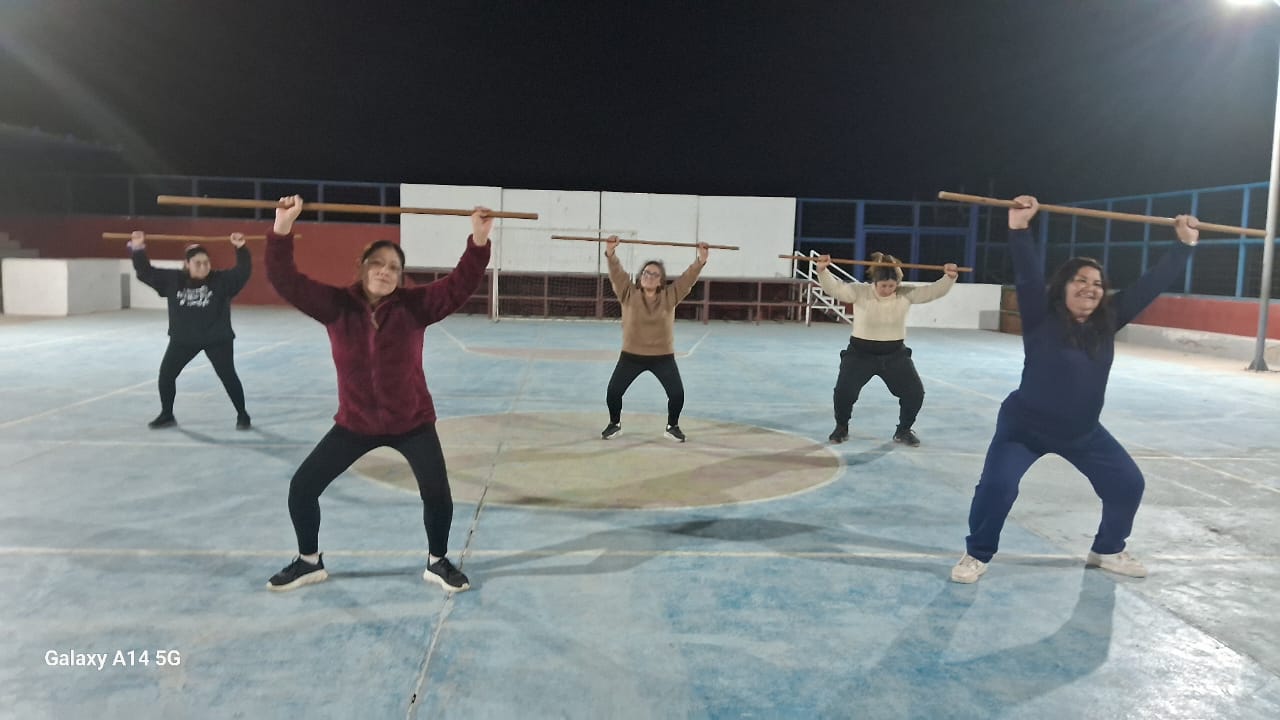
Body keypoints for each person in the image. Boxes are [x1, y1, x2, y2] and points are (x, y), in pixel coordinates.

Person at [950, 195, 1199, 584]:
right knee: (997, 487)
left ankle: (1107, 549)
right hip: (1023, 428)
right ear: (1062, 287)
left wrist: (1183, 245)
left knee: (1127, 484)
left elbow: (1150, 286)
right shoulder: (1040, 318)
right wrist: (1019, 228)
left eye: (1097, 283)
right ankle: (977, 553)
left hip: (1082, 432)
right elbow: (1029, 275)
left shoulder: (1108, 321)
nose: (1090, 287)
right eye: (1080, 280)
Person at [263, 195, 491, 593]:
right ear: (363, 267)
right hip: (355, 423)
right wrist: (283, 226)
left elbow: (459, 286)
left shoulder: (415, 306)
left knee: (437, 493)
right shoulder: (336, 306)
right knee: (302, 487)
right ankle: (308, 561)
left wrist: (478, 240)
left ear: (401, 277)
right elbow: (286, 280)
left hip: (412, 422)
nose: (386, 272)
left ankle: (438, 561)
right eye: (378, 263)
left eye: (394, 268)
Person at [816, 251, 958, 446]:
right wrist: (823, 271)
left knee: (915, 393)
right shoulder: (859, 291)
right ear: (875, 281)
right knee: (843, 392)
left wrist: (949, 277)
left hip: (895, 355)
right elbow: (835, 289)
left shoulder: (905, 294)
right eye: (883, 285)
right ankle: (841, 427)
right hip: (860, 354)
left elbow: (932, 291)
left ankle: (904, 430)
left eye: (892, 286)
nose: (888, 289)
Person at [130, 231, 253, 430]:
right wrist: (137, 248)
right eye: (198, 263)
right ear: (187, 264)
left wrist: (241, 248)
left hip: (217, 339)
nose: (204, 266)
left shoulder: (221, 281)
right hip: (183, 340)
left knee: (228, 376)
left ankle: (242, 414)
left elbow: (243, 271)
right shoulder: (173, 279)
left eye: (206, 262)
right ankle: (167, 414)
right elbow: (145, 272)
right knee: (167, 375)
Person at [601, 236, 709, 442]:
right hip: (631, 356)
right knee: (613, 392)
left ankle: (672, 426)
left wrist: (701, 260)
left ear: (661, 281)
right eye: (646, 273)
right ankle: (614, 424)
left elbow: (687, 279)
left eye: (654, 274)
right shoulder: (628, 293)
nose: (649, 276)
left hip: (662, 357)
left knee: (677, 394)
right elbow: (617, 274)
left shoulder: (670, 296)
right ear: (641, 276)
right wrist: (611, 253)